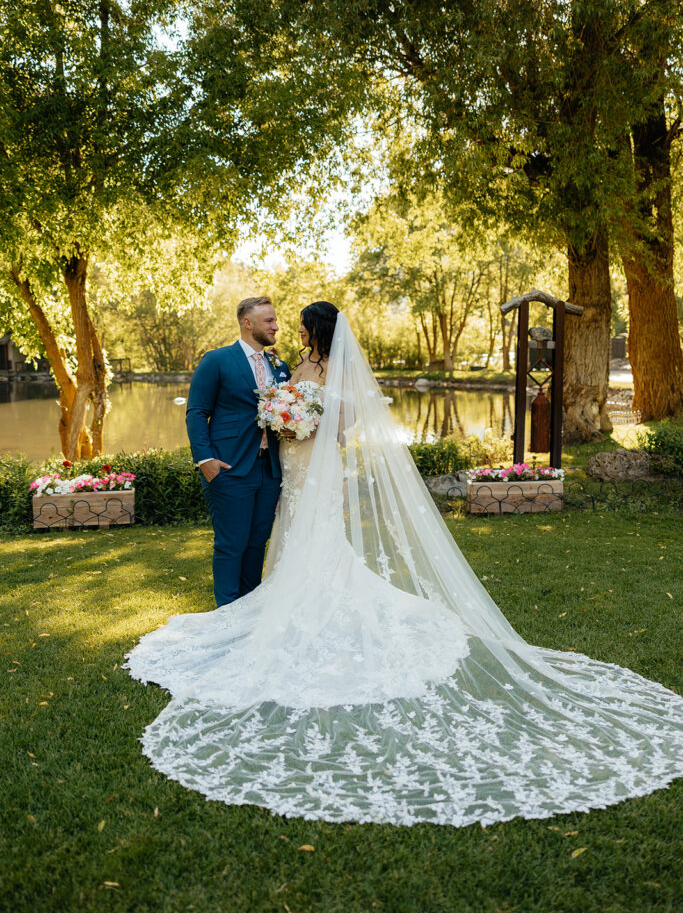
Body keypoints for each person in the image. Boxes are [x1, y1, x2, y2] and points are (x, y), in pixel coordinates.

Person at [127, 306, 683, 828]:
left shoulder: (327, 367)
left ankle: (300, 603)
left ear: (315, 331)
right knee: (277, 539)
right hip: (287, 466)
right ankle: (261, 603)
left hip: (312, 463)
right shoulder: (284, 364)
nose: (289, 330)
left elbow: (343, 422)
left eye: (297, 325)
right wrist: (283, 420)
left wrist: (304, 421)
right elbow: (257, 407)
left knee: (313, 538)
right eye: (277, 322)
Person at [185, 296, 290, 607]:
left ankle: (249, 610)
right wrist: (206, 460)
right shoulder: (217, 360)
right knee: (231, 544)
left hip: (269, 470)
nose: (275, 326)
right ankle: (227, 614)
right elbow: (196, 412)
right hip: (228, 467)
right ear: (248, 323)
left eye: (275, 320)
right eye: (269, 320)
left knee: (257, 543)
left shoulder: (279, 366)